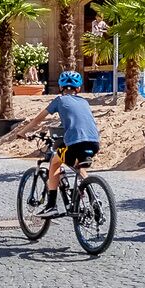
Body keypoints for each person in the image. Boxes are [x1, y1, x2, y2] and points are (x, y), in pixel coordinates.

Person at [40, 73, 101, 201]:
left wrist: (22, 132)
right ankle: (94, 198)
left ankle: (51, 205)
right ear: (78, 89)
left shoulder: (59, 100)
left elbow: (38, 119)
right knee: (78, 165)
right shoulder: (84, 102)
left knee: (55, 162)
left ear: (60, 87)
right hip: (94, 143)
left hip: (75, 145)